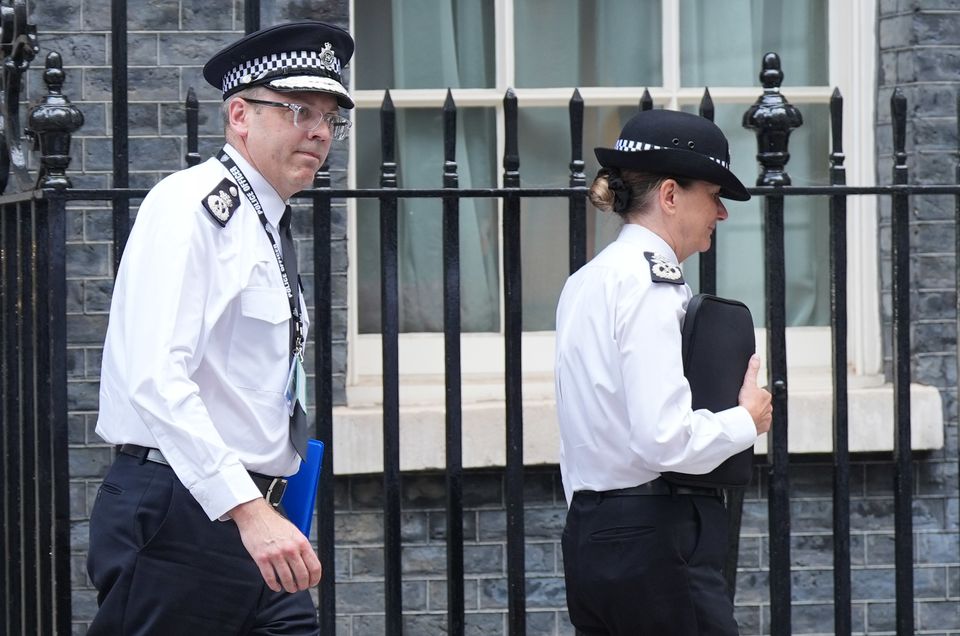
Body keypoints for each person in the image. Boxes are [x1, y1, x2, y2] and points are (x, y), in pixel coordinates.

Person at [87, 20, 355, 634]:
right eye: (298, 109)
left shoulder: (262, 220)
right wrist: (247, 511)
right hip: (184, 512)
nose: (319, 131)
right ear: (240, 115)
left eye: (330, 118)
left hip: (250, 510)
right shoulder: (195, 207)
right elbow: (156, 377)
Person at [555, 108, 773, 636]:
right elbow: (663, 439)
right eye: (713, 194)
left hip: (591, 532)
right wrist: (747, 420)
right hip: (656, 536)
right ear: (671, 195)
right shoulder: (650, 286)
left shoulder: (586, 281)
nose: (721, 212)